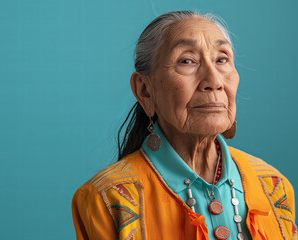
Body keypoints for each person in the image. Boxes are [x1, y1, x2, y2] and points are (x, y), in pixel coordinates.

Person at [72, 11, 297, 240]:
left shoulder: (272, 185)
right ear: (145, 90)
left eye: (221, 59)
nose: (214, 81)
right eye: (187, 61)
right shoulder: (108, 198)